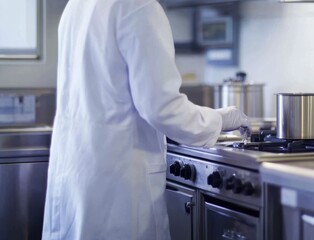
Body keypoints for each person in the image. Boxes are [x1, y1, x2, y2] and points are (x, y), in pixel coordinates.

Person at [41, 0, 249, 239]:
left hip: (79, 172)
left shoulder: (78, 5)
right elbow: (162, 108)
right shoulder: (138, 6)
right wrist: (218, 120)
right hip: (118, 185)